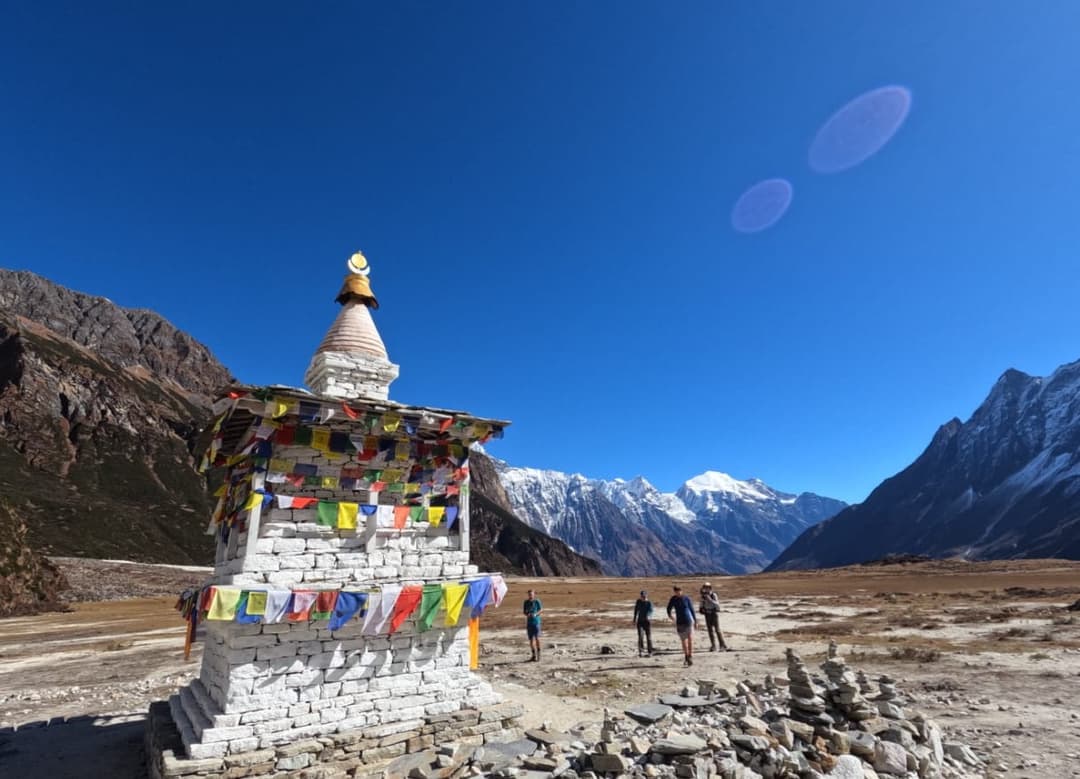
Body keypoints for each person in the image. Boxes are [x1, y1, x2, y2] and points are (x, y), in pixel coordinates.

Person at [666, 585, 696, 666]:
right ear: (674, 592)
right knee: (683, 640)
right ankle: (686, 656)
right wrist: (670, 615)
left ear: (681, 590)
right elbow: (668, 608)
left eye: (679, 591)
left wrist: (695, 621)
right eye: (676, 591)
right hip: (679, 622)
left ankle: (690, 655)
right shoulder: (673, 599)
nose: (678, 592)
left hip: (688, 621)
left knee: (690, 639)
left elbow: (692, 609)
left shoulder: (686, 598)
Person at [699, 582, 729, 651]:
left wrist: (710, 600)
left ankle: (722, 645)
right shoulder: (703, 596)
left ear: (710, 588)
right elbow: (701, 603)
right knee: (710, 630)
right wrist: (701, 608)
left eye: (708, 587)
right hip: (707, 614)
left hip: (714, 613)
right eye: (705, 588)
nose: (706, 589)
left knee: (717, 630)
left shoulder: (713, 595)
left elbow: (717, 604)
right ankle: (713, 646)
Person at [632, 590, 655, 657]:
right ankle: (641, 651)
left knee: (649, 637)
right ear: (641, 596)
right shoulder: (638, 602)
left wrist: (648, 615)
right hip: (640, 622)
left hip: (647, 622)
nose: (643, 597)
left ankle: (650, 652)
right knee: (640, 636)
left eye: (644, 596)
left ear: (646, 596)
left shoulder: (649, 603)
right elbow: (636, 610)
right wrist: (634, 619)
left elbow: (651, 610)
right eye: (642, 596)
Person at [523, 589, 543, 661]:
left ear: (534, 594)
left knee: (537, 638)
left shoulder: (537, 601)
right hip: (529, 623)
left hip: (536, 622)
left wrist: (536, 614)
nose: (530, 596)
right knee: (531, 640)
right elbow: (524, 611)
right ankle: (533, 655)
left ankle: (539, 654)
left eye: (531, 594)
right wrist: (527, 614)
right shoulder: (526, 602)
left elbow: (541, 610)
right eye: (529, 594)